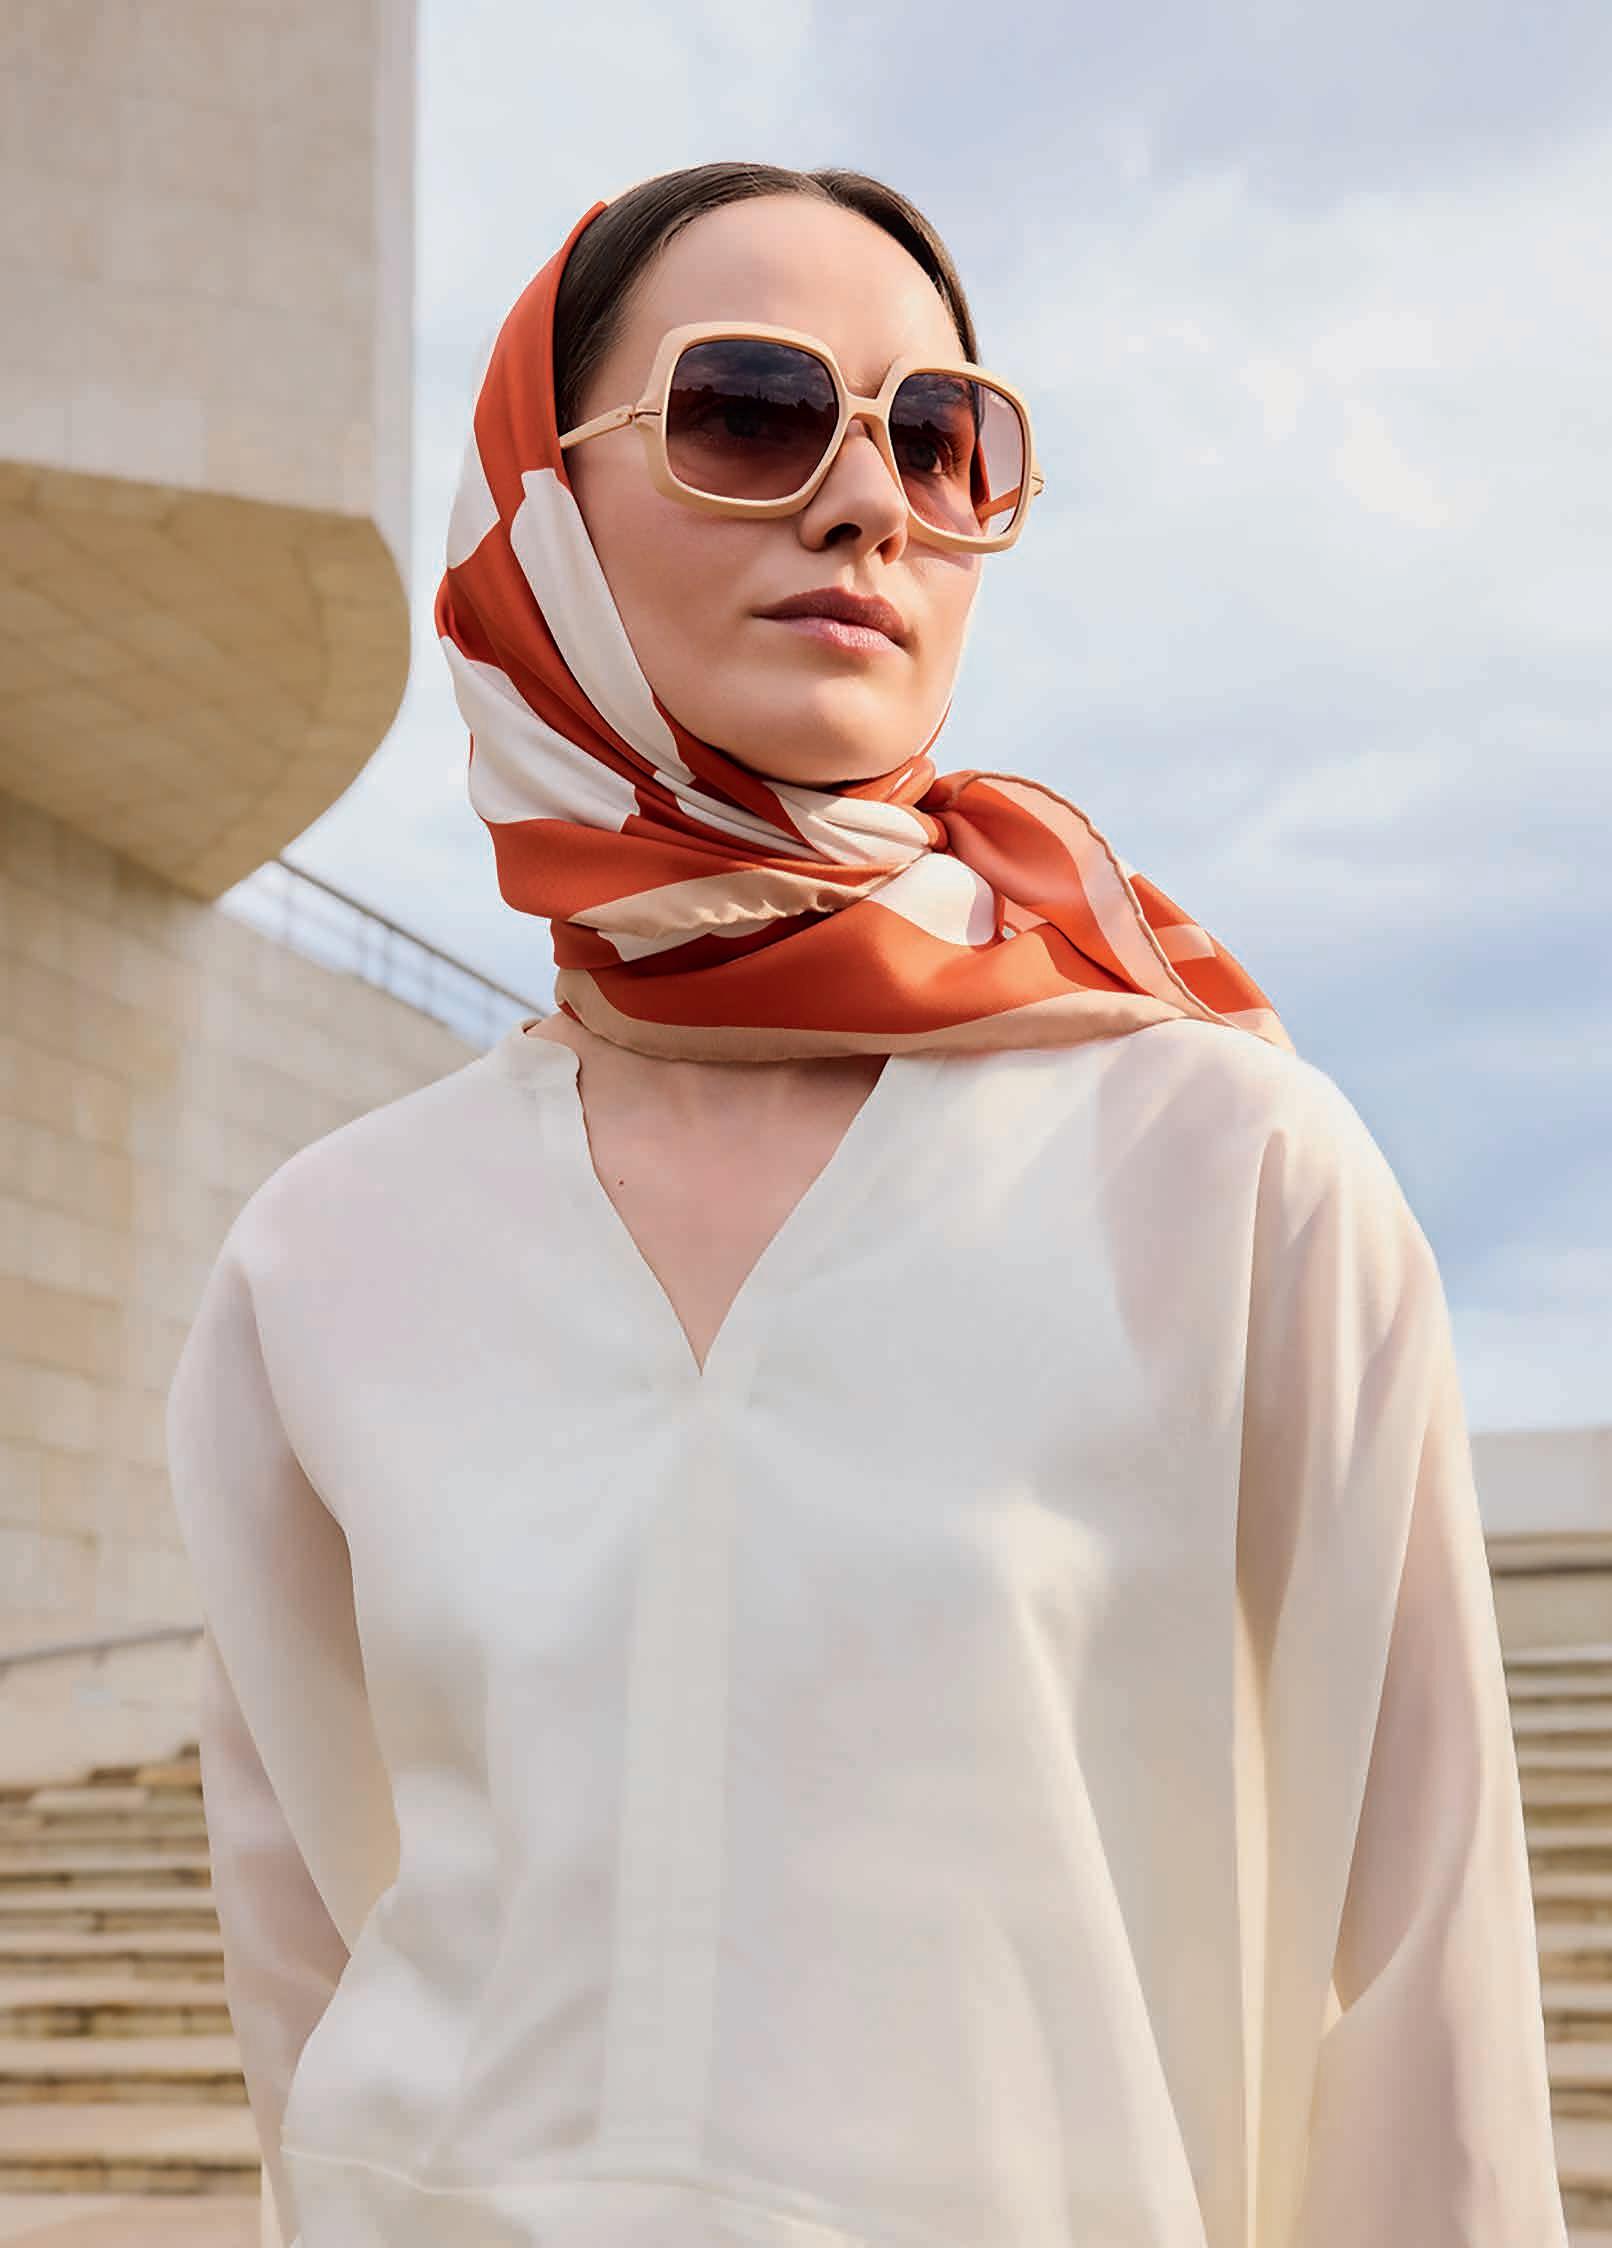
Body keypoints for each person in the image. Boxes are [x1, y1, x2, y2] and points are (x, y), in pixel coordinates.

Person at [165, 162, 1568, 2248]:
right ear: (540, 506)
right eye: (749, 413)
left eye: (940, 438)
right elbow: (309, 1963)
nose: (865, 504)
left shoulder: (1233, 1174)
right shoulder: (324, 1254)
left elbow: (1426, 1982)